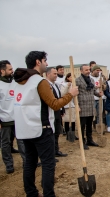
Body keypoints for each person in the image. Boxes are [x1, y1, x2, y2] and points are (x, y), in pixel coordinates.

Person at [13, 51, 78, 197]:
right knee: (48, 164)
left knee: (29, 162)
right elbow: (54, 104)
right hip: (41, 129)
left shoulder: (20, 82)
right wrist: (71, 94)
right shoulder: (39, 82)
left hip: (25, 129)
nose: (46, 64)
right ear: (38, 62)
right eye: (45, 60)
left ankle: (31, 193)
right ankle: (49, 194)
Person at [0, 60, 26, 174]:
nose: (12, 71)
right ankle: (9, 165)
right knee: (5, 143)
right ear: (2, 71)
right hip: (5, 120)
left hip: (17, 118)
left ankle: (27, 161)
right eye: (10, 69)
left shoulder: (15, 82)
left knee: (22, 141)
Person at [76, 64, 103, 150]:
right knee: (82, 125)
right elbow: (74, 95)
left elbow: (93, 91)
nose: (88, 71)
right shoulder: (77, 81)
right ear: (81, 71)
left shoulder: (91, 80)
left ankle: (89, 140)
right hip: (82, 106)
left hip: (91, 106)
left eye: (89, 70)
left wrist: (98, 94)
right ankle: (82, 142)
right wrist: (77, 106)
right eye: (86, 70)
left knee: (89, 124)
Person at [45, 67, 68, 157]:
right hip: (51, 113)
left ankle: (56, 150)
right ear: (48, 74)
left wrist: (62, 109)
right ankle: (51, 153)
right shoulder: (46, 85)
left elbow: (59, 98)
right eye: (54, 74)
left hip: (57, 112)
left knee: (57, 132)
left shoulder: (55, 85)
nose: (56, 76)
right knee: (51, 133)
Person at [60, 73, 78, 140]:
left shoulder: (74, 85)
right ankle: (67, 134)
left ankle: (72, 134)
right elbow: (62, 94)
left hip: (72, 105)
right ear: (67, 78)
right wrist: (67, 86)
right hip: (66, 105)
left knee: (73, 120)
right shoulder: (64, 85)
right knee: (67, 120)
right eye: (70, 77)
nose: (72, 78)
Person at [90, 65, 107, 131]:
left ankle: (99, 126)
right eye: (97, 70)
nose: (98, 72)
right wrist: (96, 86)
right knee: (93, 114)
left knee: (100, 113)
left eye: (99, 70)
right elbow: (90, 87)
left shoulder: (101, 77)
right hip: (93, 98)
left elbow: (105, 86)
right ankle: (92, 125)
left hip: (100, 98)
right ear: (93, 71)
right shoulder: (89, 78)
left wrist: (103, 86)